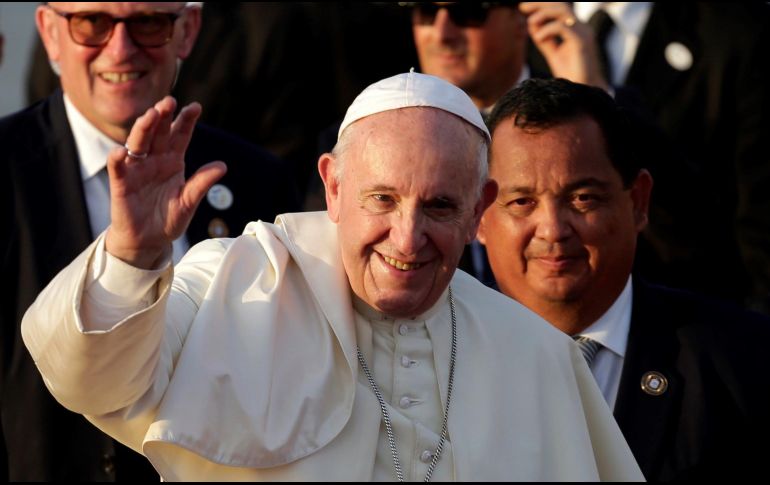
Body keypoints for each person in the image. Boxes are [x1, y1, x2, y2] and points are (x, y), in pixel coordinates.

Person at [22, 72, 643, 481]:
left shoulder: (533, 352)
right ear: (333, 186)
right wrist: (131, 255)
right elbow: (89, 379)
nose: (407, 238)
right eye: (381, 200)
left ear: (480, 208)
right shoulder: (232, 284)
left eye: (440, 207)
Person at [0, 2, 297, 481]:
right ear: (50, 34)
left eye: (148, 23)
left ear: (187, 31)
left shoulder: (259, 181)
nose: (119, 49)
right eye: (92, 23)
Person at [478, 77, 770, 481]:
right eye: (522, 202)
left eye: (582, 198)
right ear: (478, 213)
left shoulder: (746, 363)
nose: (552, 229)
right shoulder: (426, 368)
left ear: (637, 202)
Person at [530, 3, 770, 313]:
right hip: (534, 329)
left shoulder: (739, 33)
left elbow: (758, 235)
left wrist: (602, 98)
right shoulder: (503, 25)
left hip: (692, 323)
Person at [409, 1, 609, 284]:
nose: (442, 33)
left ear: (521, 18)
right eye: (426, 11)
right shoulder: (369, 140)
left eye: (468, 14)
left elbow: (675, 241)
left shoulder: (595, 114)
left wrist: (593, 105)